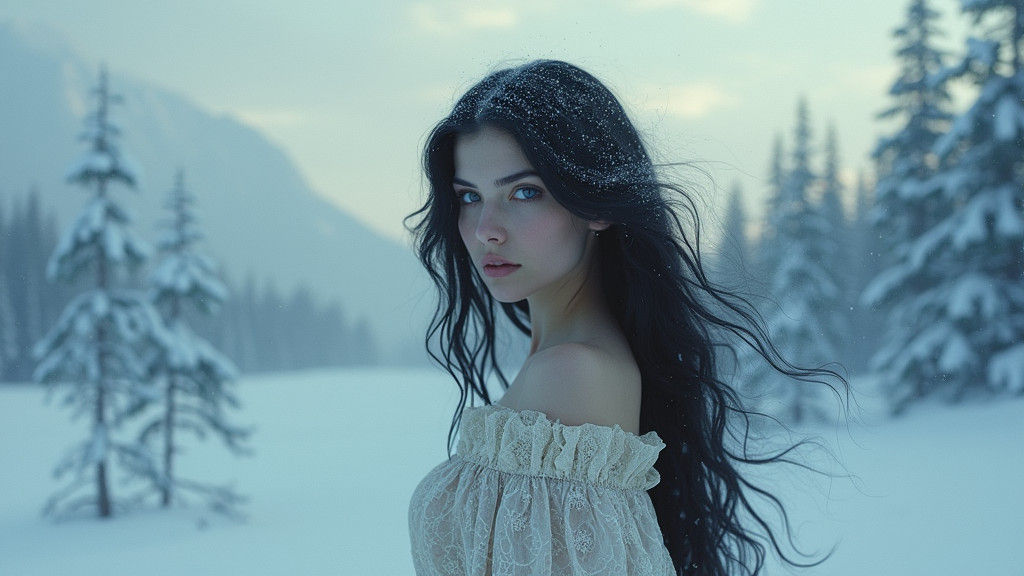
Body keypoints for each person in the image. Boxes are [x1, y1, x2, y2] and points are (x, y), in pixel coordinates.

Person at [405, 59, 846, 576]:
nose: (485, 230)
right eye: (469, 197)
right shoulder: (565, 363)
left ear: (596, 204)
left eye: (524, 192)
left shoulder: (573, 375)